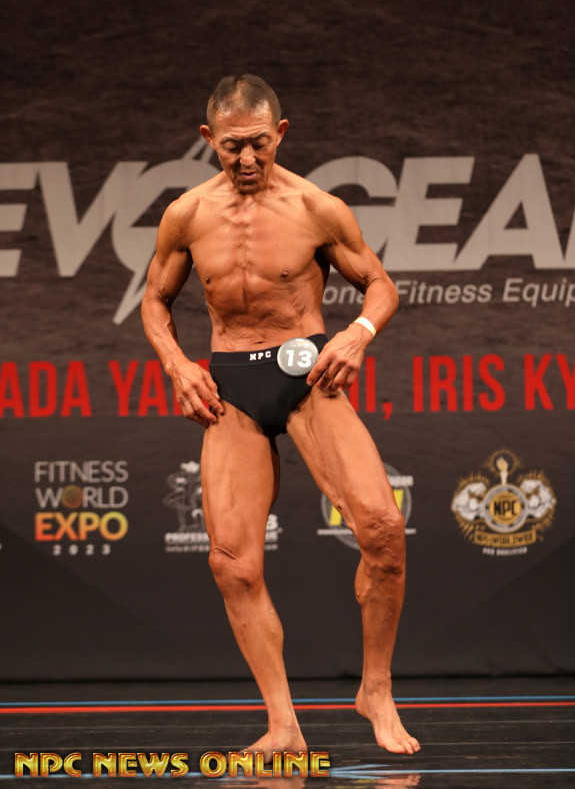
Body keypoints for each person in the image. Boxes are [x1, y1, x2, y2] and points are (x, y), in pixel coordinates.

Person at [141, 74, 420, 758]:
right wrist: (177, 365)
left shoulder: (317, 208)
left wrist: (357, 335)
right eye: (231, 146)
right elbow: (154, 301)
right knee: (232, 564)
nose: (246, 159)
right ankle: (283, 725)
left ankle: (376, 689)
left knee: (383, 529)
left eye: (259, 144)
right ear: (207, 138)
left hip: (308, 374)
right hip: (231, 385)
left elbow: (379, 285)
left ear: (281, 134)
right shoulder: (186, 214)